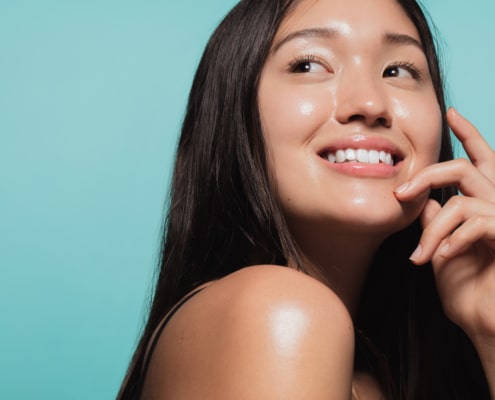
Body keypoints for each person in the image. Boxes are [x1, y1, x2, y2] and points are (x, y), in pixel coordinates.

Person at [118, 0, 495, 398]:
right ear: (235, 108)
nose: (370, 104)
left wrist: (490, 333)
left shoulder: (381, 370)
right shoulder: (278, 316)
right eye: (309, 65)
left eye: (397, 70)